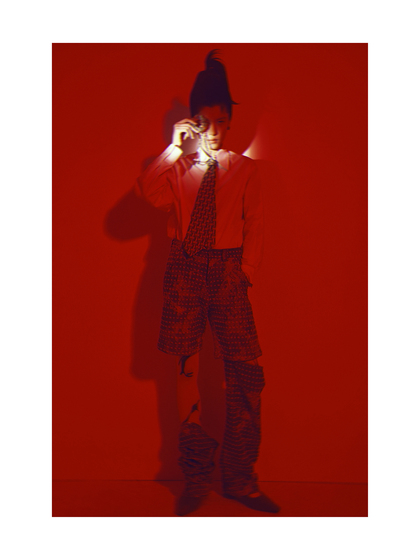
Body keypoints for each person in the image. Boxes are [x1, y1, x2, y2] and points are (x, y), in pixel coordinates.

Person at [135, 50, 280, 516]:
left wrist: (245, 273)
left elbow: (256, 223)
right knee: (186, 371)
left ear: (230, 121)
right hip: (184, 267)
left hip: (228, 270)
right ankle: (196, 477)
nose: (213, 131)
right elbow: (147, 193)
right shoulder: (179, 168)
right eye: (205, 121)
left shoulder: (245, 169)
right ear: (193, 122)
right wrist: (174, 148)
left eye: (220, 121)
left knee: (246, 370)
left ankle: (240, 477)